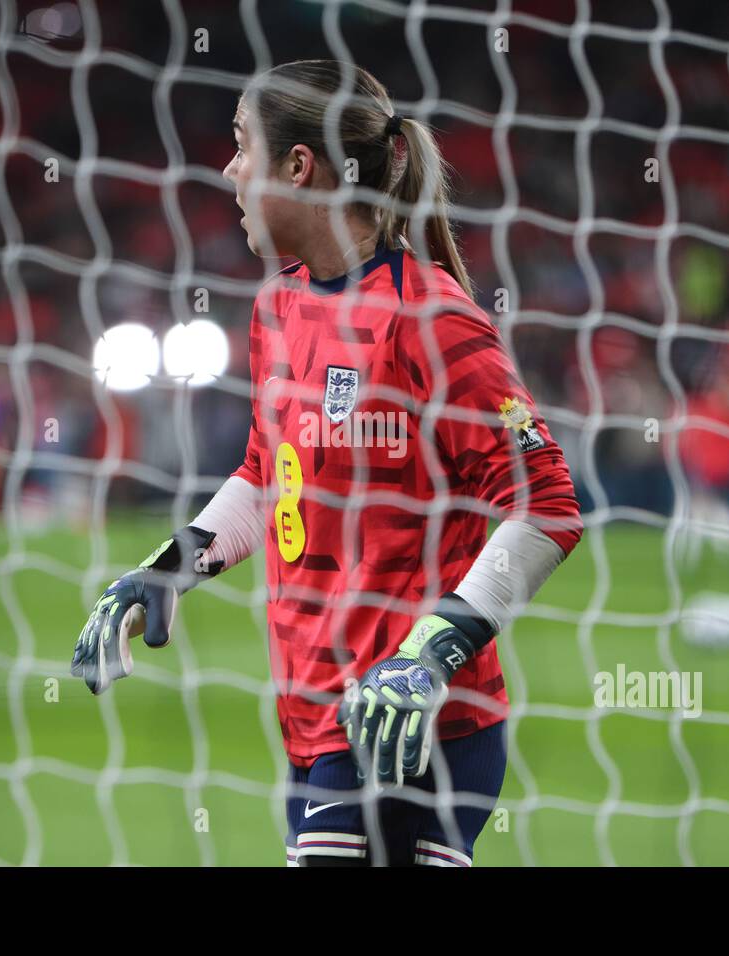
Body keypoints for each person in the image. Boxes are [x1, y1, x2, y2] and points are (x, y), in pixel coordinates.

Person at [71, 60, 582, 867]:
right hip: (314, 721)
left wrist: (431, 653)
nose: (229, 170)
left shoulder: (431, 319)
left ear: (298, 167)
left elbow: (547, 502)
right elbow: (267, 475)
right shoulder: (278, 306)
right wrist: (166, 569)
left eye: (243, 146)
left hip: (416, 728)